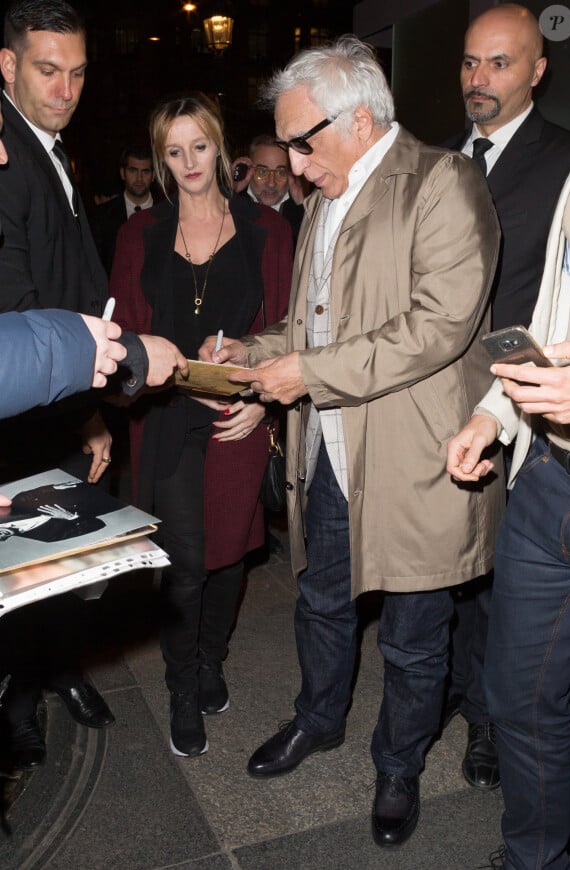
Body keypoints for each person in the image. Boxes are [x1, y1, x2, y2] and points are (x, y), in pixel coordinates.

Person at [198, 36, 503, 848]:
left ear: (360, 119)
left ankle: (398, 766)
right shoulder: (325, 199)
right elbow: (310, 326)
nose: (293, 166)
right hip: (324, 450)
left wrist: (311, 374)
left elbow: (437, 328)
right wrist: (252, 355)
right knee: (320, 602)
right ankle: (319, 719)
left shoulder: (443, 182)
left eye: (304, 141)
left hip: (415, 461)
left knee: (413, 635)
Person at [0, 0, 188, 771]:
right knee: (26, 568)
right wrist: (101, 377)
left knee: (58, 564)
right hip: (21, 404)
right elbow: (15, 307)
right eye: (47, 70)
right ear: (6, 65)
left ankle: (54, 671)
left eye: (77, 73)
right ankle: (18, 709)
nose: (64, 88)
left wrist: (88, 417)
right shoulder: (9, 156)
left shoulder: (49, 147)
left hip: (58, 395)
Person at [111, 92, 293, 759]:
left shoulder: (267, 232)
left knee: (229, 558)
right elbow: (125, 333)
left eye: (200, 145)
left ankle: (211, 658)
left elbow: (286, 329)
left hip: (238, 419)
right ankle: (183, 685)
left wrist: (263, 402)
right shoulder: (141, 233)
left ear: (222, 148)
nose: (189, 162)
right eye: (174, 150)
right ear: (161, 159)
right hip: (166, 423)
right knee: (186, 565)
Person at [442, 3, 570, 793]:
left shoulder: (567, 161)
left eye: (499, 63)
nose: (479, 79)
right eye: (469, 62)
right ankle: (474, 702)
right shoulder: (446, 157)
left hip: (528, 405)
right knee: (456, 571)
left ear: (537, 70)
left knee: (502, 582)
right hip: (446, 393)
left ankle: (493, 725)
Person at [92, 143, 156, 275]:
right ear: (123, 173)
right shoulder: (101, 217)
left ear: (153, 175)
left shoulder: (170, 214)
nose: (139, 178)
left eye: (145, 171)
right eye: (133, 170)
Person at [233, 134, 305, 243]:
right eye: (262, 172)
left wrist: (303, 205)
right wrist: (231, 192)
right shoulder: (232, 206)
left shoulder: (302, 212)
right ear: (249, 170)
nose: (271, 183)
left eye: (280, 172)